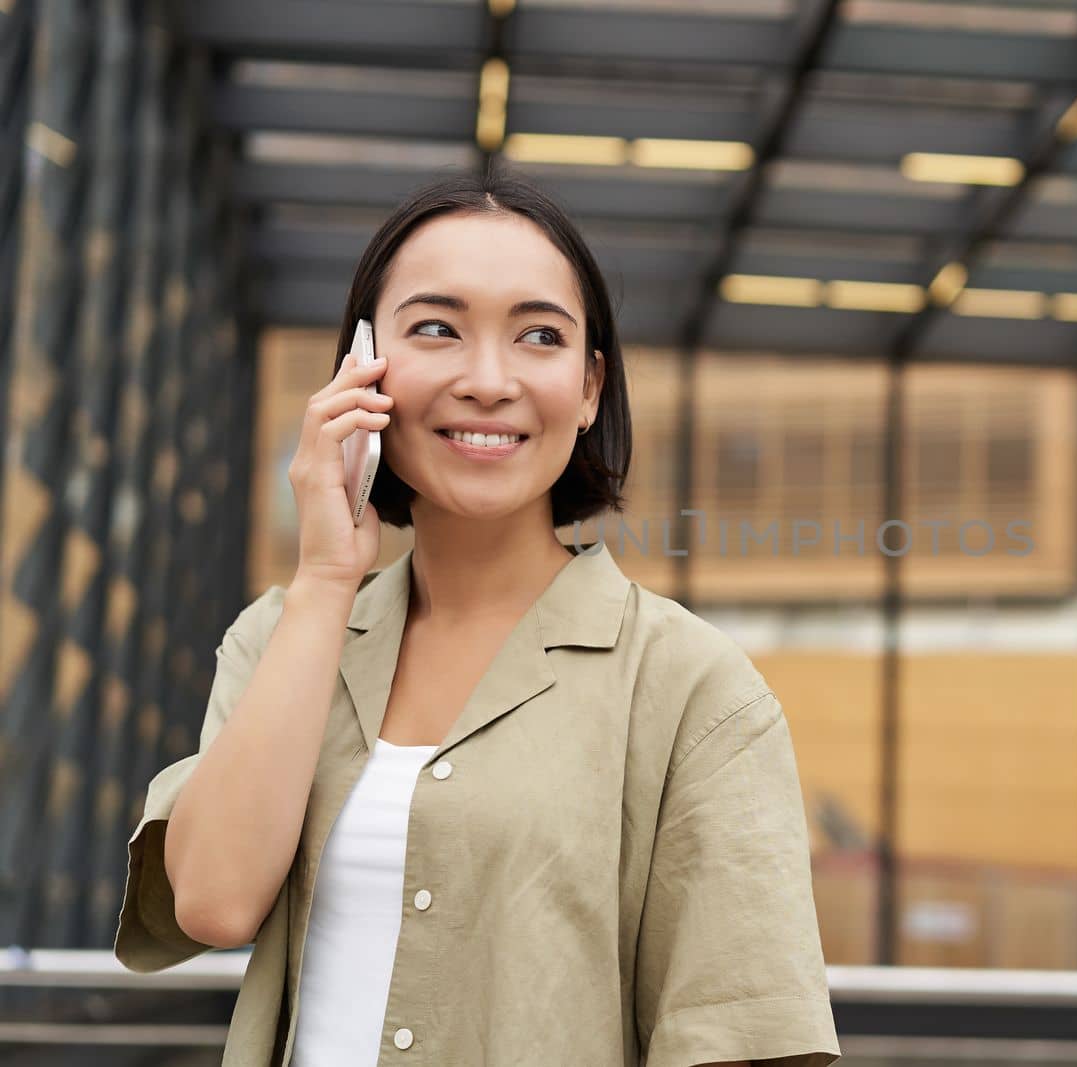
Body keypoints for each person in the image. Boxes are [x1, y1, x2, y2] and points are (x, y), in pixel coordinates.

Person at [114, 168, 841, 1067]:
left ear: (587, 387)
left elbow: (744, 1040)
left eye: (540, 335)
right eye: (436, 329)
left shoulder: (692, 688)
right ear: (362, 364)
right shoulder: (283, 634)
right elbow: (213, 904)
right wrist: (325, 578)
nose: (489, 380)